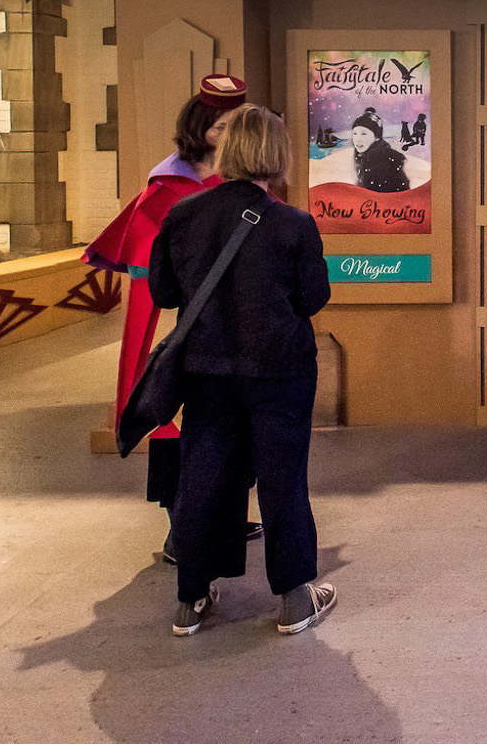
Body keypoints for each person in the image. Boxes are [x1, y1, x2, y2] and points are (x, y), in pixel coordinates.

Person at [148, 106, 336, 638]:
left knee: (204, 476)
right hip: (279, 371)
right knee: (282, 479)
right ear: (276, 155)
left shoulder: (184, 215)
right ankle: (296, 599)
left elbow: (163, 292)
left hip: (206, 371)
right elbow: (313, 297)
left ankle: (192, 598)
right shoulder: (292, 223)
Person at [84, 72, 261, 557]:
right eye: (221, 126)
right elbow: (148, 274)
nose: (227, 136)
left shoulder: (248, 185)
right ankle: (179, 532)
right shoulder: (164, 187)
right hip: (181, 325)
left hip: (232, 328)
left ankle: (226, 518)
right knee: (173, 424)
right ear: (201, 125)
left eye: (236, 127)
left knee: (232, 423)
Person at [350, 110, 410, 193]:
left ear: (377, 137)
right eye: (355, 134)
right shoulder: (365, 156)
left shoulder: (378, 159)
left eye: (363, 134)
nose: (357, 139)